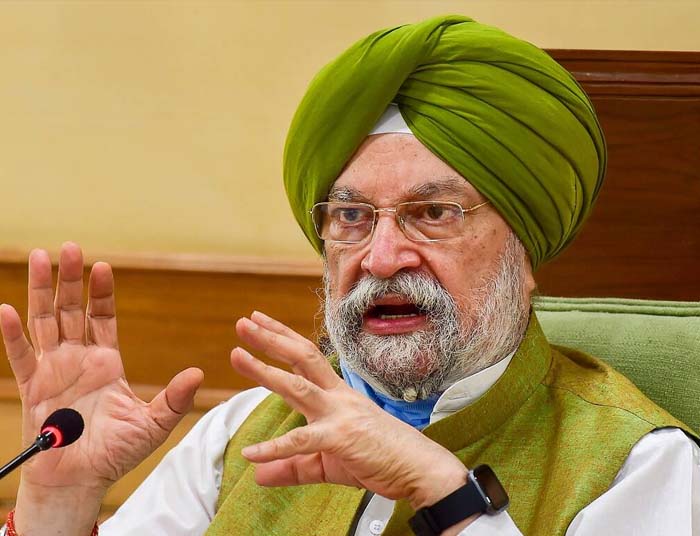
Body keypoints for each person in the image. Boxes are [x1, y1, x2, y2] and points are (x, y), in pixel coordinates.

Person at [0, 14, 698, 536]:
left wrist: (447, 495)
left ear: (524, 249)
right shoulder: (242, 433)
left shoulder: (634, 465)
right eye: (352, 217)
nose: (383, 257)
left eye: (433, 213)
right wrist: (58, 502)